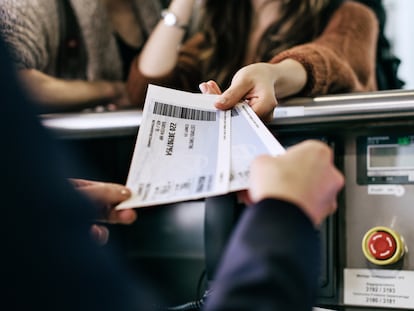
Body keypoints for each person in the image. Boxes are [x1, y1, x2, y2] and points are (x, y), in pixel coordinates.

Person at [1, 36, 344, 310]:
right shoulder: (210, 30)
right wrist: (283, 215)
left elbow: (339, 55)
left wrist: (276, 74)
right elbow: (144, 87)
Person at [127, 0, 378, 121]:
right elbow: (145, 90)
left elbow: (330, 58)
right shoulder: (222, 29)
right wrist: (182, 4)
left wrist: (273, 75)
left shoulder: (351, 15)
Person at [0, 0, 163, 112]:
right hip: (70, 153)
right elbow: (12, 83)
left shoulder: (154, 6)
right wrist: (112, 90)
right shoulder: (30, 6)